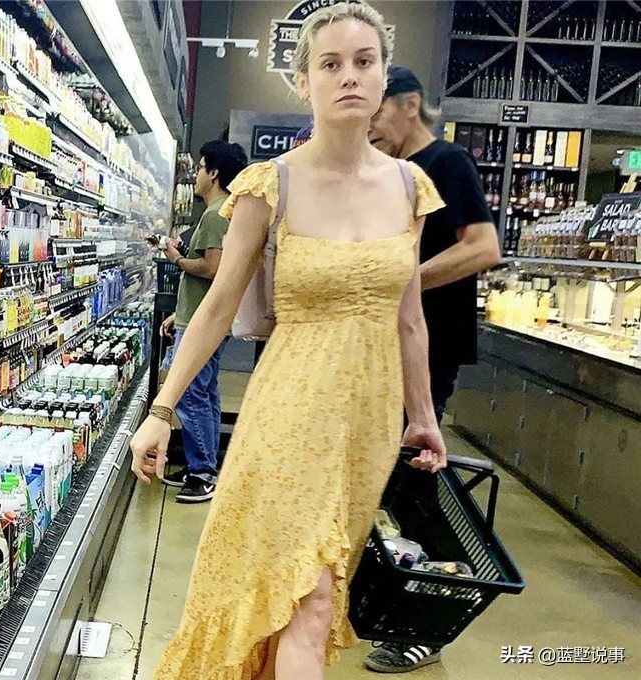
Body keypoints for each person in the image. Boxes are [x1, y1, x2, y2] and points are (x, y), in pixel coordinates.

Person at [131, 3, 446, 678]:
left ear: (384, 75)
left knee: (311, 595)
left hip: (368, 421)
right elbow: (217, 306)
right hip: (291, 409)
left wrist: (422, 416)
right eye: (330, 64)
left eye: (364, 61)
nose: (349, 76)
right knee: (309, 597)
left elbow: (409, 317)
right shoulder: (269, 185)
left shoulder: (410, 187)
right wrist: (162, 410)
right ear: (303, 81)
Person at [364, 66, 501, 674]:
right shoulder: (391, 175)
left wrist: (404, 282)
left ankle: (430, 620)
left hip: (430, 348)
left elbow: (484, 247)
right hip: (384, 351)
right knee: (384, 483)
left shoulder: (446, 163)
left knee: (413, 484)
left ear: (409, 104)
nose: (369, 125)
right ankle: (390, 599)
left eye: (377, 111)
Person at [159, 139, 248, 503]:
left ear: (213, 172)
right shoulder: (223, 212)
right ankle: (203, 464)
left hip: (201, 322)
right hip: (197, 316)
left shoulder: (215, 214)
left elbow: (212, 268)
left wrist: (176, 259)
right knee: (205, 393)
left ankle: (202, 473)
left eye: (199, 167)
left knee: (189, 394)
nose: (195, 175)